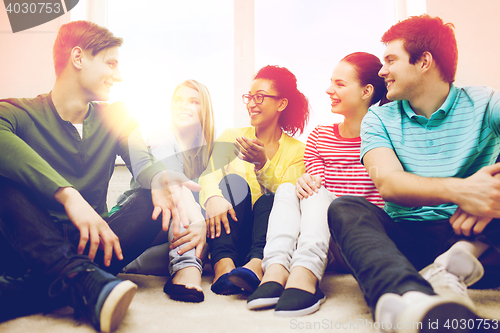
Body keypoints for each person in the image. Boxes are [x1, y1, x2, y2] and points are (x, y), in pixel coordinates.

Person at [0, 21, 200, 332]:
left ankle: (48, 284)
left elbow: (143, 163)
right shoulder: (18, 112)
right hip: (28, 241)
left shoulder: (117, 115)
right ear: (78, 58)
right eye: (110, 63)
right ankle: (84, 280)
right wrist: (68, 195)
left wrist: (160, 178)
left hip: (94, 243)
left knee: (152, 200)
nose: (118, 76)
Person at [327, 14, 500, 332]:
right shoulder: (378, 119)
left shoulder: (486, 102)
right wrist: (463, 190)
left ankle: (453, 265)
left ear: (424, 61)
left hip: (476, 235)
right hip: (407, 239)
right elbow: (388, 183)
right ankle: (411, 299)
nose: (382, 71)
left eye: (391, 60)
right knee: (343, 208)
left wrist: (492, 191)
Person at [246, 52, 386, 316]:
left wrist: (316, 190)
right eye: (331, 82)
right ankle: (275, 271)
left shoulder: (384, 138)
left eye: (340, 84)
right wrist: (304, 184)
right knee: (290, 188)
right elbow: (314, 189)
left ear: (367, 91)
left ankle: (306, 275)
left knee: (317, 193)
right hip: (321, 239)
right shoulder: (320, 136)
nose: (329, 89)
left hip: (358, 240)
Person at [198, 65, 310, 295]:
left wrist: (262, 165)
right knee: (232, 184)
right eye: (249, 97)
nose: (251, 104)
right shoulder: (232, 136)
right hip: (229, 230)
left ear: (281, 103)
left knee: (272, 198)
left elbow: (290, 198)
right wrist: (213, 198)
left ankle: (256, 266)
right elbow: (210, 173)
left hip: (268, 241)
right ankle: (223, 266)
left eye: (259, 97)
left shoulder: (298, 151)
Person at [116, 79, 215, 303]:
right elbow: (173, 185)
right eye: (178, 100)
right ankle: (187, 266)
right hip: (145, 217)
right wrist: (200, 222)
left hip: (172, 229)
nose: (183, 105)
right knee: (180, 198)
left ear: (205, 109)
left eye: (193, 101)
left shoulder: (207, 152)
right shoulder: (163, 137)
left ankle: (131, 261)